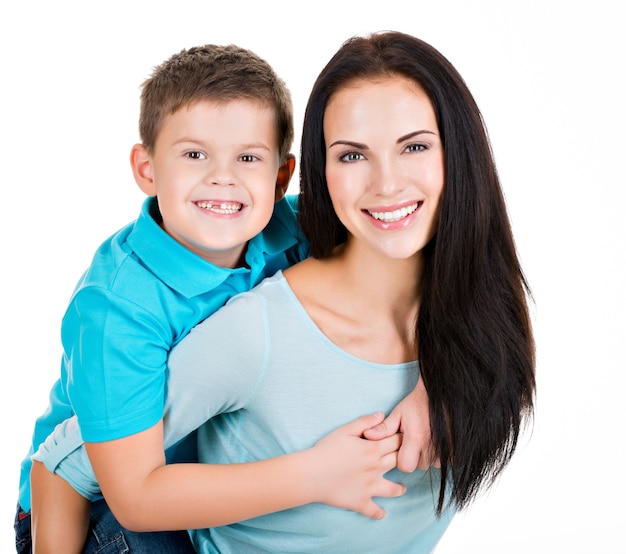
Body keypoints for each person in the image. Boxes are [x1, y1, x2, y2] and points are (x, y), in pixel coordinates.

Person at [16, 43, 421, 554]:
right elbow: (123, 492)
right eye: (194, 154)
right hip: (96, 505)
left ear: (281, 177)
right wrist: (317, 474)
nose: (222, 177)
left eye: (247, 157)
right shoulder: (118, 308)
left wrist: (434, 384)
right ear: (146, 168)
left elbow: (412, 256)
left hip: (201, 481)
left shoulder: (291, 228)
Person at [150, 30, 537, 552]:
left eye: (415, 147)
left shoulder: (486, 321)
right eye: (353, 156)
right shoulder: (255, 331)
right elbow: (74, 463)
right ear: (319, 172)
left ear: (460, 155)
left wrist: (441, 378)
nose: (387, 184)